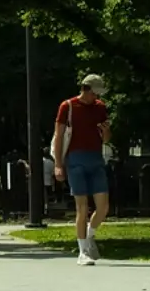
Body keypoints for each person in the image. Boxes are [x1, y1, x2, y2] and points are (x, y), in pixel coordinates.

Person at [53, 73, 112, 265]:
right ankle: (82, 252)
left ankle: (89, 235)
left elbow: (106, 138)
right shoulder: (68, 106)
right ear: (86, 89)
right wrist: (58, 165)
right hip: (75, 159)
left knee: (103, 207)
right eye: (95, 92)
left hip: (95, 158)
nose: (97, 96)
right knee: (82, 207)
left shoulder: (100, 107)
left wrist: (106, 132)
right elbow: (59, 135)